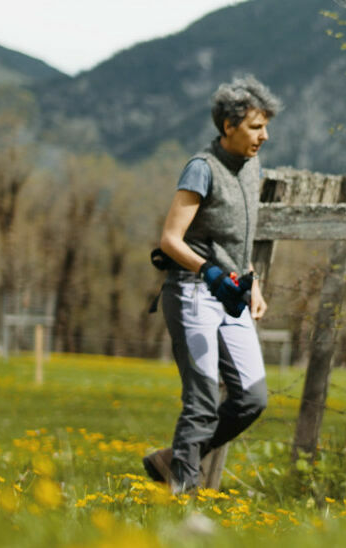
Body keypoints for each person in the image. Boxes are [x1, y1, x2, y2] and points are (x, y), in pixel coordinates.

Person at [142, 75, 282, 494]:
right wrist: (209, 271)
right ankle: (182, 499)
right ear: (228, 126)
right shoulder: (201, 169)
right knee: (201, 404)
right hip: (192, 293)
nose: (265, 135)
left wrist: (251, 284)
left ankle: (171, 460)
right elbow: (170, 239)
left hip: (233, 296)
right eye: (256, 126)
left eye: (265, 126)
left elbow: (239, 238)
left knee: (252, 399)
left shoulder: (251, 166)